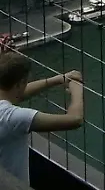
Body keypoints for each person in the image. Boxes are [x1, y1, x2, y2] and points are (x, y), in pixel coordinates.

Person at [0, 53, 85, 182]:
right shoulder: (13, 118)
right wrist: (77, 90)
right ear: (19, 84)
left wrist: (55, 80)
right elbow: (75, 120)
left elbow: (18, 94)